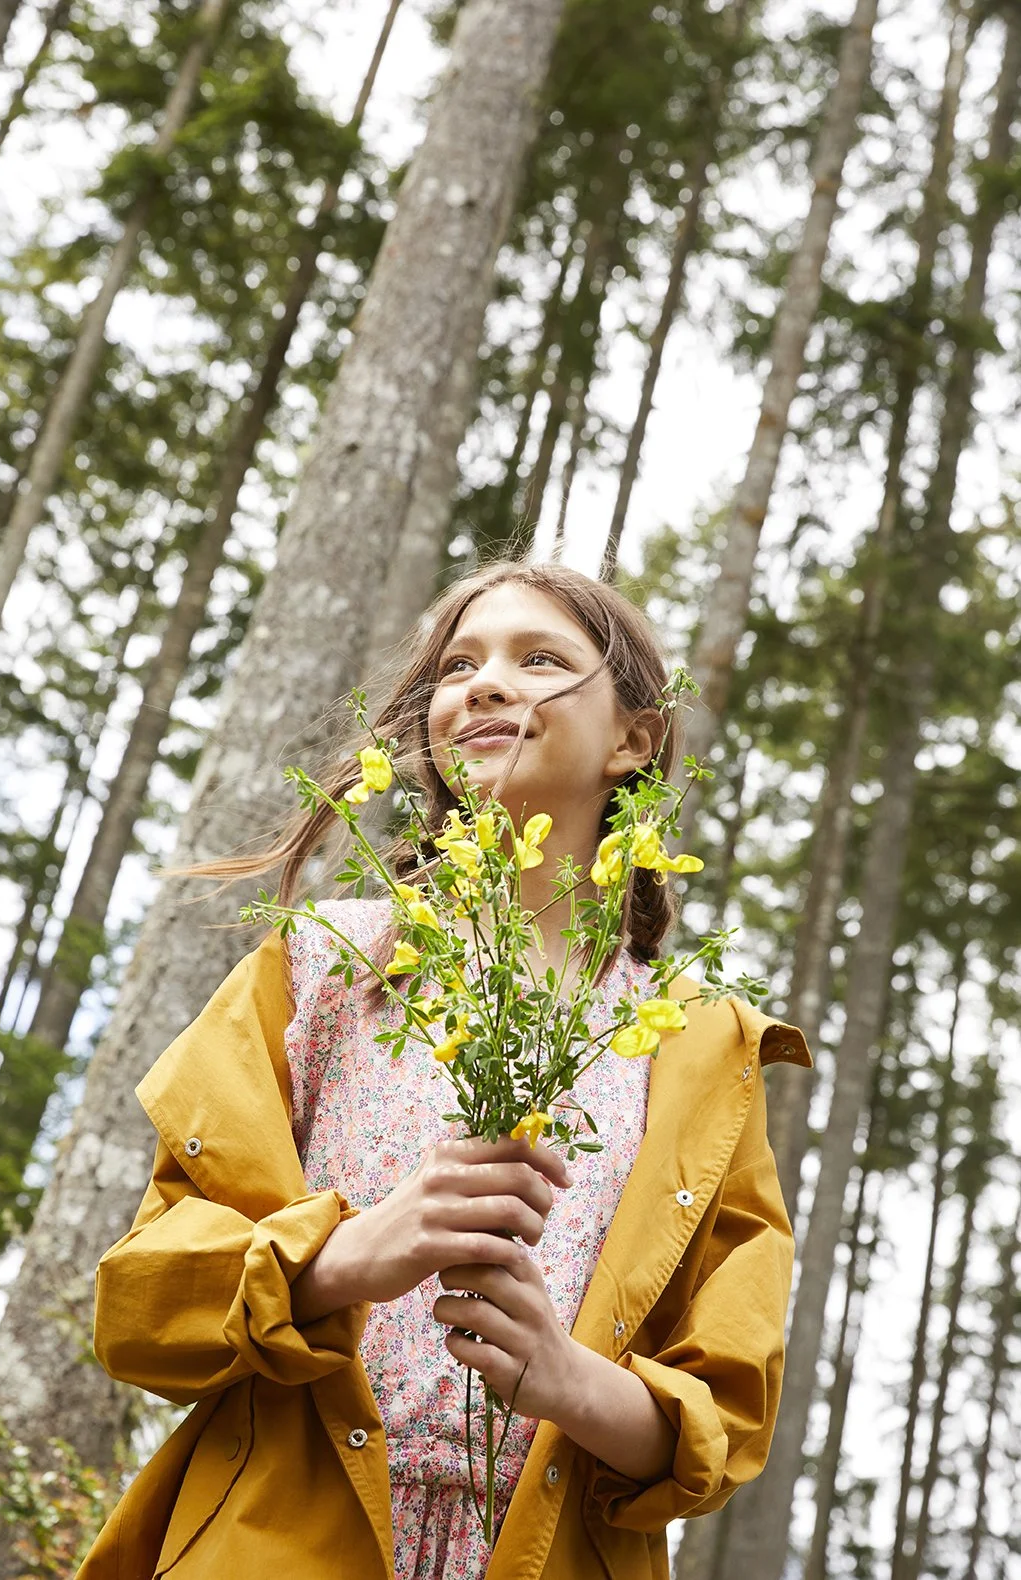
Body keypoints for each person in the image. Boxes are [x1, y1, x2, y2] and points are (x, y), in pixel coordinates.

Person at [79, 561, 811, 1580]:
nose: (485, 682)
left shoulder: (698, 1041)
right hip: (277, 1539)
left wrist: (564, 1377)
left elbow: (725, 1417)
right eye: (459, 666)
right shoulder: (327, 960)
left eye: (541, 659)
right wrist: (341, 1258)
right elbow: (140, 1306)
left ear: (634, 739)